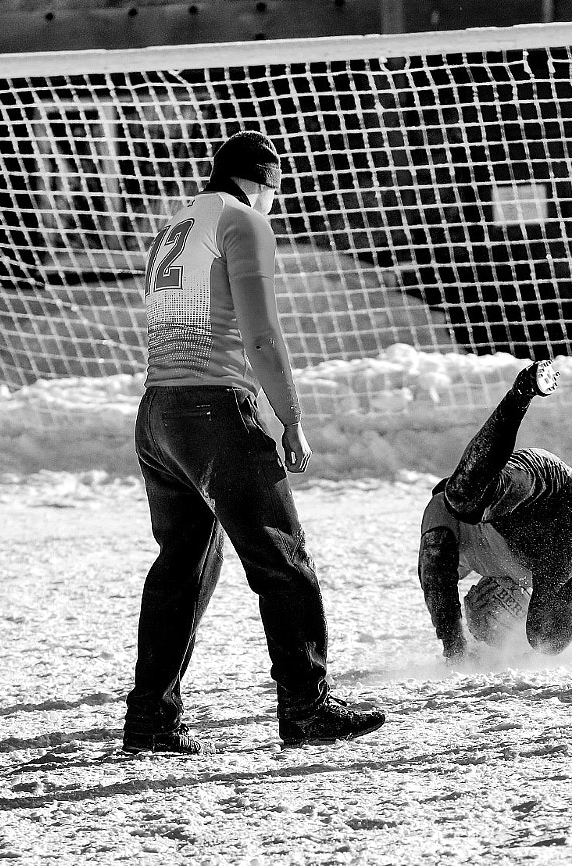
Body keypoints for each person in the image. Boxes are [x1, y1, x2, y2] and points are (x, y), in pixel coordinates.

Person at [123, 131, 386, 754]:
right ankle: (307, 705)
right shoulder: (243, 221)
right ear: (262, 181)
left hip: (159, 414)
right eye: (276, 190)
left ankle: (151, 719)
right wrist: (290, 420)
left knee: (180, 569)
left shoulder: (177, 224)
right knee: (282, 560)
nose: (275, 203)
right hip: (217, 411)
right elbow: (262, 338)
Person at [419, 360, 572, 661]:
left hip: (548, 488)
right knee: (544, 639)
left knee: (461, 499)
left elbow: (436, 581)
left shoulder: (442, 533)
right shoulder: (514, 573)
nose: (479, 594)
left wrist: (454, 647)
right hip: (571, 526)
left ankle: (523, 391)